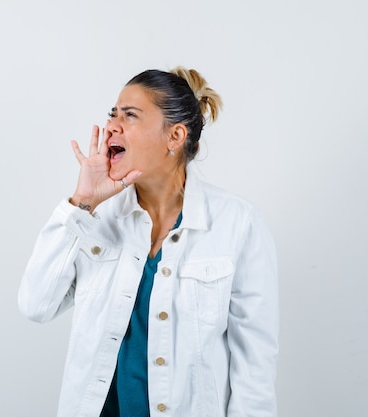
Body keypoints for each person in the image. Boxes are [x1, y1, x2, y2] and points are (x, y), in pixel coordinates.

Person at [18, 67, 278, 417]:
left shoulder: (238, 224)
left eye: (130, 116)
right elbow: (36, 305)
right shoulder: (95, 217)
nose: (112, 125)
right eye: (112, 114)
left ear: (175, 136)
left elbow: (254, 369)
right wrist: (82, 201)